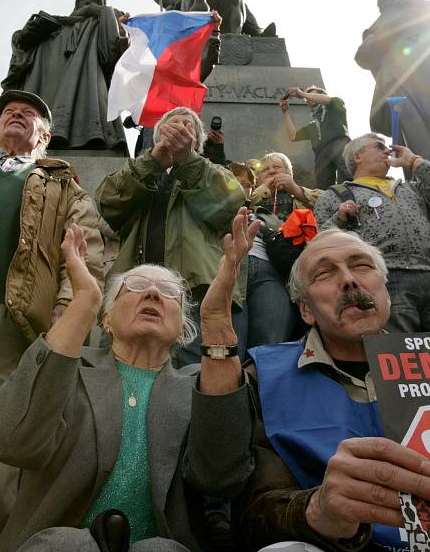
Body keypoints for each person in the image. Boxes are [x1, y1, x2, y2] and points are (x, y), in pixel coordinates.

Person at [0, 211, 258, 552]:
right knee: (66, 549)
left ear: (182, 328)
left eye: (168, 292)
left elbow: (222, 475)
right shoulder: (66, 371)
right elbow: (12, 442)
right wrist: (82, 303)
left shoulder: (200, 389)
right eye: (134, 286)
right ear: (107, 319)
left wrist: (217, 322)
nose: (152, 290)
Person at [231, 229, 425, 552]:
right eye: (325, 273)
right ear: (304, 310)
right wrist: (316, 510)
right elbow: (248, 517)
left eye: (361, 266)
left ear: (385, 291)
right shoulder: (262, 377)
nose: (350, 281)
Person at [0, 89, 103, 552]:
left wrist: (65, 319)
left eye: (31, 113)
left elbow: (87, 254)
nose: (17, 114)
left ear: (45, 135)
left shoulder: (65, 188)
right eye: (7, 112)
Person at [95, 106, 245, 367]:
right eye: (172, 125)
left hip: (196, 294)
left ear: (197, 142)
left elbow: (233, 202)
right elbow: (106, 200)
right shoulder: (141, 170)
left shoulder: (217, 172)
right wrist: (152, 162)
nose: (179, 130)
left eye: (187, 127)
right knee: (117, 367)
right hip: (135, 292)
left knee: (189, 375)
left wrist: (188, 161)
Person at [314, 132, 430, 333]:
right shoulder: (335, 195)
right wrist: (339, 219)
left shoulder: (411, 188)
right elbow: (318, 244)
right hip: (386, 279)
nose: (387, 150)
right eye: (378, 146)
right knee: (399, 354)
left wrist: (413, 161)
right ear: (357, 156)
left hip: (427, 268)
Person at [1, 0, 128, 152]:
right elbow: (22, 52)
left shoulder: (99, 22)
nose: (87, 1)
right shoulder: (57, 26)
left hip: (86, 85)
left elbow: (110, 55)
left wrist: (106, 14)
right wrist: (24, 37)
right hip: (45, 82)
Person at [236, 152, 320, 349]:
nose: (272, 172)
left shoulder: (300, 197)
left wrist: (296, 190)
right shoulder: (249, 194)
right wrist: (262, 190)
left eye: (277, 168)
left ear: (290, 173)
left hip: (283, 268)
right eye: (266, 170)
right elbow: (234, 202)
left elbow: (327, 202)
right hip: (242, 261)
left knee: (271, 337)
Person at [355, 0, 430, 163]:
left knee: (417, 148)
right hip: (400, 88)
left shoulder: (423, 10)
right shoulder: (378, 27)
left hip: (408, 84)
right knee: (417, 147)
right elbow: (363, 56)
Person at [279, 86, 351, 189]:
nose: (308, 99)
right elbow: (292, 136)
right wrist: (285, 112)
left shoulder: (335, 103)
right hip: (320, 153)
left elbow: (327, 100)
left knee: (346, 175)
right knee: (322, 187)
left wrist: (303, 94)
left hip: (339, 143)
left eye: (313, 95)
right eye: (307, 98)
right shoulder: (313, 125)